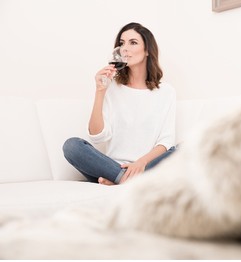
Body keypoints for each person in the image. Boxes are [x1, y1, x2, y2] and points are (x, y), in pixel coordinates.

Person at [63, 22, 176, 185]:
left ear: (147, 51)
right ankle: (126, 179)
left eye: (133, 42)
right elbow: (97, 136)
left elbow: (166, 141)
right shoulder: (112, 88)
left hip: (146, 166)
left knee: (185, 149)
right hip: (112, 165)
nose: (124, 48)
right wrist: (100, 91)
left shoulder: (166, 92)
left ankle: (119, 180)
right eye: (121, 43)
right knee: (72, 146)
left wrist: (140, 163)